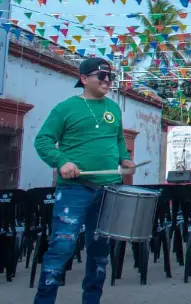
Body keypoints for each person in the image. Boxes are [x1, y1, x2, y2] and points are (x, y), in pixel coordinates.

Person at [33, 58, 136, 304]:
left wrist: (124, 158)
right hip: (74, 190)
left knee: (100, 251)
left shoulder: (113, 108)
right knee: (62, 248)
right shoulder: (65, 108)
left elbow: (118, 140)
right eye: (101, 76)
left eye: (110, 77)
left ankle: (92, 300)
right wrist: (61, 162)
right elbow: (43, 140)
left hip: (108, 189)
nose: (107, 81)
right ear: (83, 79)